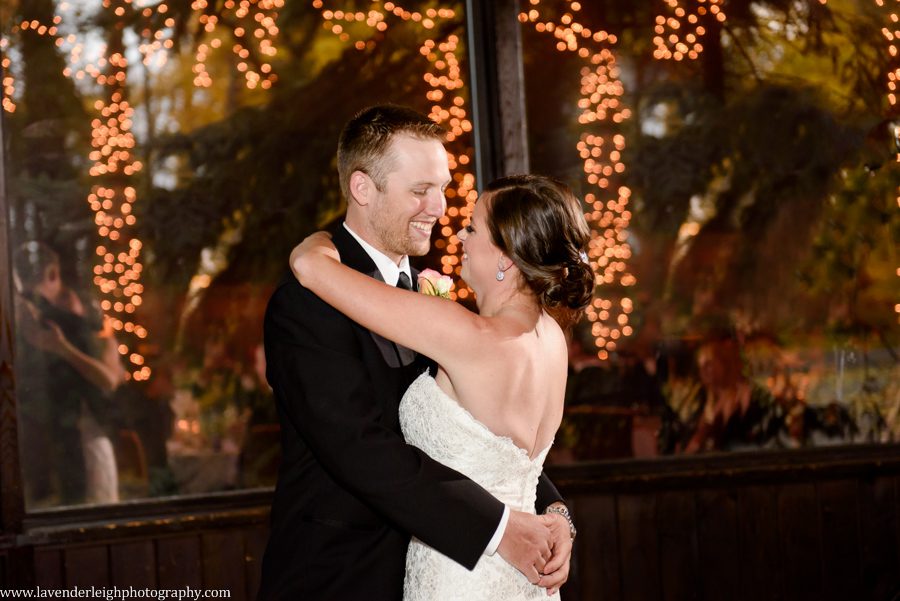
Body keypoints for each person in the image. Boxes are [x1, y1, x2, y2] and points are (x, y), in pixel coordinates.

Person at [258, 106, 576, 600]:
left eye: (444, 188)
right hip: (345, 581)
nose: (440, 208)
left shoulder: (441, 305)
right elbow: (362, 450)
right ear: (363, 189)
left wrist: (552, 512)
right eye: (420, 190)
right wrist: (500, 529)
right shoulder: (304, 305)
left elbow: (485, 438)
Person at [13, 241, 125, 506]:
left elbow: (110, 379)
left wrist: (62, 347)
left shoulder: (81, 321)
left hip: (72, 440)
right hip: (62, 442)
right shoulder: (49, 321)